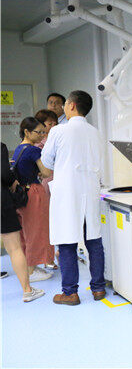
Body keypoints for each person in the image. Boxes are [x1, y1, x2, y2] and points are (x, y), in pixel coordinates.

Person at [41, 90, 105, 306]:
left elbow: (47, 162)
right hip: (91, 191)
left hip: (68, 192)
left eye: (65, 104)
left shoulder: (59, 131)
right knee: (94, 240)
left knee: (67, 241)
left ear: (72, 106)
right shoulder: (95, 132)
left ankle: (70, 292)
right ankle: (98, 288)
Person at [13, 117, 55, 282]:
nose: (42, 135)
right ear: (27, 132)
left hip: (21, 194)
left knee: (26, 232)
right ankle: (31, 271)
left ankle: (29, 266)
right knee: (37, 231)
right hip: (34, 192)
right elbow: (46, 172)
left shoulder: (19, 149)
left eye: (43, 132)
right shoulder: (33, 150)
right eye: (39, 132)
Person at [1, 142, 45, 302]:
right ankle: (27, 291)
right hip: (2, 202)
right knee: (14, 248)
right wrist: (12, 178)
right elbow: (4, 174)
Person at [34, 109, 60, 269]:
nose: (53, 126)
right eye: (50, 123)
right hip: (46, 185)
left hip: (59, 182)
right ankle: (48, 258)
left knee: (58, 220)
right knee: (47, 223)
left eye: (55, 123)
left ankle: (58, 253)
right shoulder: (38, 144)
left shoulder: (57, 138)